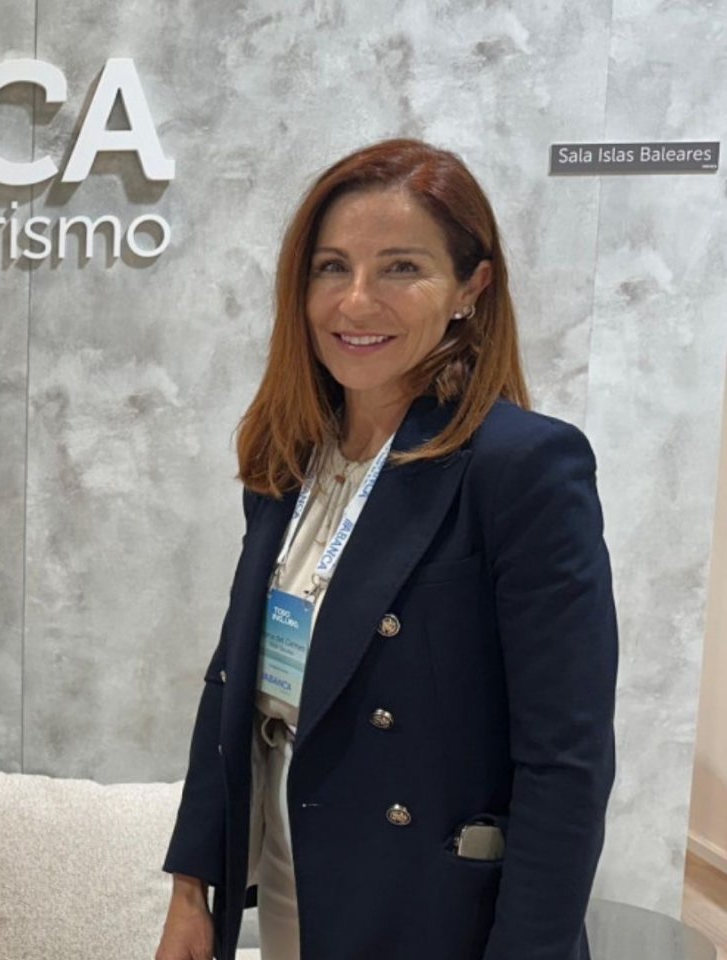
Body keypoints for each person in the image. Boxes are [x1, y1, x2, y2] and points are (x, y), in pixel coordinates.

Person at [154, 139, 617, 960]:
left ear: (471, 287)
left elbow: (564, 763)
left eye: (401, 268)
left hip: (433, 910)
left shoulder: (520, 465)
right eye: (331, 267)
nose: (355, 301)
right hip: (298, 876)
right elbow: (232, 688)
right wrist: (192, 887)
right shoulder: (288, 458)